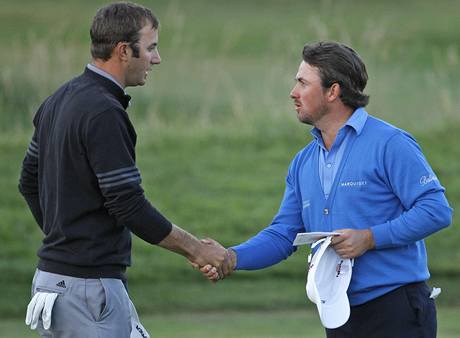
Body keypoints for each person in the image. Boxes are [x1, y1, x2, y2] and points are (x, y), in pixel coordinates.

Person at [201, 41, 452, 338]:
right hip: (337, 312)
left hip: (397, 311)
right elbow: (284, 234)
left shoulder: (390, 143)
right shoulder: (303, 162)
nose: (293, 93)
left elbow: (436, 210)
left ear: (333, 92)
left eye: (303, 83)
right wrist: (233, 257)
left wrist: (370, 238)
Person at [19, 2, 228, 337]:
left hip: (52, 283)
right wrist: (197, 249)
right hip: (88, 292)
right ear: (123, 51)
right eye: (150, 48)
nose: (156, 59)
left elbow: (28, 181)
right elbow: (127, 204)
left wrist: (66, 239)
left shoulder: (58, 99)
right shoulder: (104, 112)